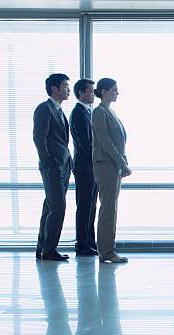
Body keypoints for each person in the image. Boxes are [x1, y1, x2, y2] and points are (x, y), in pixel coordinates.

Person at [91, 78, 131, 263]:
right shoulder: (99, 112)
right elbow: (105, 141)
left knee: (111, 208)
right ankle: (106, 251)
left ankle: (108, 249)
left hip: (113, 164)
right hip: (105, 164)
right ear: (104, 91)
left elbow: (119, 140)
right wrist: (122, 163)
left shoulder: (110, 111)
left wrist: (123, 161)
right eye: (114, 90)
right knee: (108, 208)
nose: (117, 93)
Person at [33, 73, 73, 261]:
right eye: (65, 86)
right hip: (53, 166)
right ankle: (49, 249)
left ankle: (43, 248)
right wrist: (48, 161)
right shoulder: (44, 108)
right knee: (58, 206)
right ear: (54, 88)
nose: (68, 90)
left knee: (50, 206)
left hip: (62, 166)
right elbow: (39, 137)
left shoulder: (58, 110)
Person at [70, 78, 98, 257]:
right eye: (90, 91)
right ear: (81, 93)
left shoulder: (87, 111)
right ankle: (82, 244)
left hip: (90, 165)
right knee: (85, 206)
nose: (93, 94)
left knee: (91, 205)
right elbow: (84, 143)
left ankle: (89, 242)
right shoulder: (79, 112)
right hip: (85, 166)